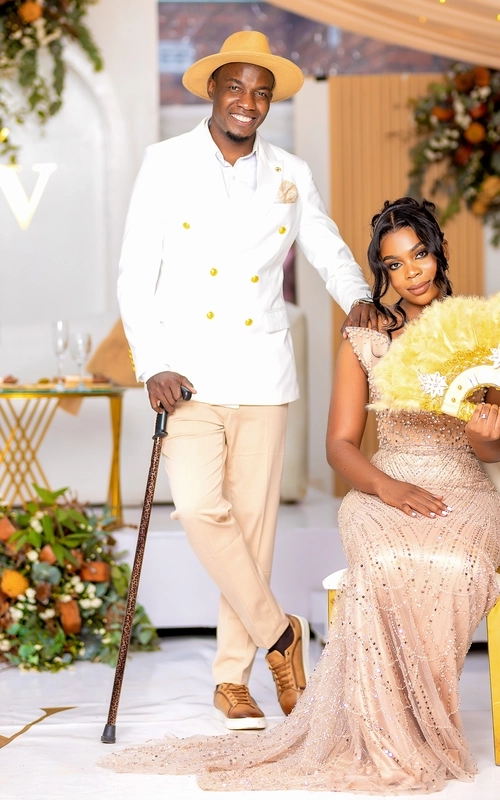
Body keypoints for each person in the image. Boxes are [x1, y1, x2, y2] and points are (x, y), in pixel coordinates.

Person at [104, 197, 500, 793]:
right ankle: (380, 727)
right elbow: (340, 446)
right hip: (383, 484)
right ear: (382, 272)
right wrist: (389, 487)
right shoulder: (368, 337)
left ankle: (424, 721)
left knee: (455, 564)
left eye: (420, 254)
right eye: (395, 264)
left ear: (440, 250)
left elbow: (496, 451)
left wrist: (486, 435)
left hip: (463, 488)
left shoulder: (488, 332)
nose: (412, 272)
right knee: (385, 562)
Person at [117, 30, 383, 730]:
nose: (248, 101)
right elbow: (135, 272)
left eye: (261, 92)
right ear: (212, 90)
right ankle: (280, 633)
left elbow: (325, 247)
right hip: (185, 374)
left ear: (270, 103)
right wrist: (151, 363)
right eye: (235, 87)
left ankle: (231, 679)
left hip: (263, 372)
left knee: (254, 528)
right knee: (199, 508)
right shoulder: (165, 162)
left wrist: (359, 296)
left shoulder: (291, 171)